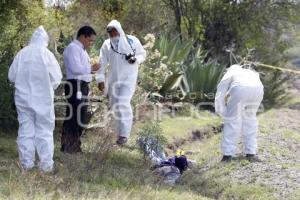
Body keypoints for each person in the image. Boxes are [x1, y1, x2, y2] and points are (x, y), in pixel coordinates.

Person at [8, 26, 62, 172]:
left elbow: (11, 76)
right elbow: (57, 78)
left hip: (23, 99)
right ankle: (46, 165)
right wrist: (48, 87)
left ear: (32, 38)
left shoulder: (21, 54)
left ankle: (27, 163)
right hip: (43, 99)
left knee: (25, 129)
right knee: (44, 130)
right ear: (45, 40)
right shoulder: (47, 54)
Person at [96, 20, 146, 145]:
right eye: (110, 33)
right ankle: (119, 135)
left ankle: (124, 135)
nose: (113, 35)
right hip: (113, 79)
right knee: (115, 106)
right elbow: (102, 63)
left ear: (119, 30)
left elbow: (143, 54)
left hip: (128, 79)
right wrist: (100, 79)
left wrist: (135, 60)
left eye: (115, 32)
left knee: (123, 102)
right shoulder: (107, 44)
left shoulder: (132, 41)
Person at [61, 26, 100, 153]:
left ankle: (74, 145)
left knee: (81, 116)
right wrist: (91, 68)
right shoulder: (73, 48)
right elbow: (75, 68)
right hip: (75, 85)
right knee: (74, 116)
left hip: (82, 86)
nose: (91, 43)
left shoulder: (82, 50)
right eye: (90, 40)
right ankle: (68, 147)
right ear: (83, 36)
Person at [215, 64, 264, 162]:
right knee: (250, 119)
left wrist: (223, 112)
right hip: (258, 89)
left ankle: (227, 155)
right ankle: (251, 153)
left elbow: (221, 92)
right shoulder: (251, 72)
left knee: (232, 121)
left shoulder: (231, 72)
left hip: (240, 88)